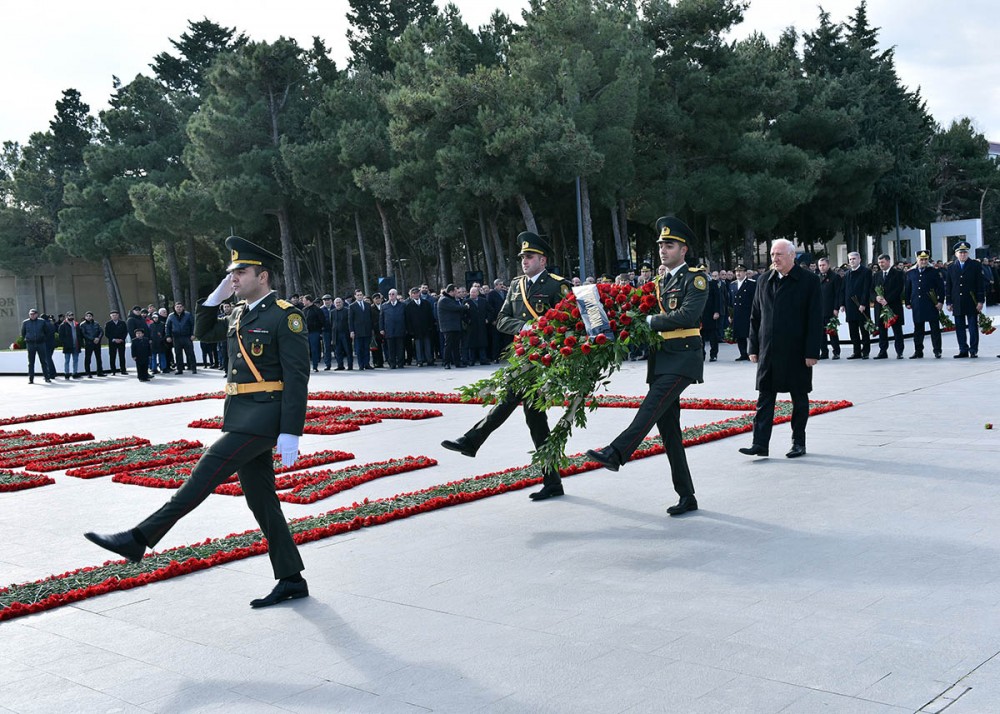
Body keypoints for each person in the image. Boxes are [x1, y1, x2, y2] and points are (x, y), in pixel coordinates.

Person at [85, 235, 311, 609]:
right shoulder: (240, 312)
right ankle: (291, 578)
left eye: (241, 272)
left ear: (264, 276)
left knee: (201, 478)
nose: (234, 278)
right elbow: (202, 331)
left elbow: (297, 377)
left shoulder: (285, 315)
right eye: (232, 273)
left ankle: (138, 538)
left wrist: (291, 430)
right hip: (241, 415)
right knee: (262, 502)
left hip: (261, 419)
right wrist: (213, 299)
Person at [586, 217, 709, 515]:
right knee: (669, 432)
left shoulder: (696, 279)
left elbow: (688, 316)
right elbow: (629, 309)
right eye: (661, 246)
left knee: (650, 407)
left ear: (684, 249)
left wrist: (650, 321)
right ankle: (687, 495)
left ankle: (616, 453)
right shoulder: (657, 283)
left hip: (683, 356)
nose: (663, 251)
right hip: (661, 358)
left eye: (669, 245)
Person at [441, 232, 572, 501]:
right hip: (522, 355)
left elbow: (571, 321)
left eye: (530, 256)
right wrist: (525, 327)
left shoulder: (557, 286)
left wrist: (548, 335)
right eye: (523, 257)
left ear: (542, 260)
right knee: (536, 422)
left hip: (544, 360)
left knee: (512, 401)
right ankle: (552, 481)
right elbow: (501, 320)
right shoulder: (515, 286)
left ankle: (472, 440)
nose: (525, 261)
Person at [738, 239, 822, 459]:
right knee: (764, 398)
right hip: (768, 350)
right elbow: (755, 316)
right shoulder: (764, 280)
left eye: (779, 254)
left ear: (793, 256)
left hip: (796, 351)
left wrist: (812, 351)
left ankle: (798, 442)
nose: (774, 258)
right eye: (773, 254)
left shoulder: (809, 281)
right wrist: (752, 346)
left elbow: (814, 319)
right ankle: (760, 443)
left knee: (799, 398)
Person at [945, 241, 985, 358]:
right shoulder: (951, 267)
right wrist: (949, 302)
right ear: (956, 254)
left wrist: (980, 301)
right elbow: (949, 286)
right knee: (959, 327)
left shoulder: (975, 265)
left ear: (968, 253)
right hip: (957, 301)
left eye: (965, 252)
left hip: (971, 301)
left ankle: (973, 350)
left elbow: (980, 284)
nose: (963, 255)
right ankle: (963, 349)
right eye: (960, 252)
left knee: (972, 327)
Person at [904, 249, 945, 359]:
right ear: (917, 259)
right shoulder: (910, 272)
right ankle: (918, 351)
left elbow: (941, 288)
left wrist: (940, 301)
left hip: (932, 304)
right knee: (918, 330)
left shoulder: (934, 272)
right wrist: (907, 301)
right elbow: (908, 288)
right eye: (921, 259)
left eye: (925, 259)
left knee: (934, 329)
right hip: (917, 304)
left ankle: (937, 350)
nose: (923, 261)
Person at [872, 253, 905, 359]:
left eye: (883, 262)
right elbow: (871, 289)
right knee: (882, 329)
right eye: (879, 262)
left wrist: (888, 300)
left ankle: (899, 351)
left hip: (893, 306)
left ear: (888, 261)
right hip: (880, 306)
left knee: (897, 330)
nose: (881, 264)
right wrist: (876, 298)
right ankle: (883, 351)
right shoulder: (876, 275)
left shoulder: (898, 273)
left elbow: (899, 289)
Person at [842, 251, 872, 359]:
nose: (852, 261)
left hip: (861, 306)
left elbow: (866, 289)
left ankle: (866, 351)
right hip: (850, 306)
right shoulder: (847, 274)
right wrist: (842, 304)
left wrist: (863, 303)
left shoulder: (866, 272)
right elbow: (844, 290)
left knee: (864, 330)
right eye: (850, 259)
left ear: (859, 259)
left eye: (854, 259)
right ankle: (856, 351)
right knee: (853, 331)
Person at [816, 258, 842, 359]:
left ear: (828, 265)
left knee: (832, 331)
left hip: (830, 309)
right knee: (821, 333)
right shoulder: (817, 277)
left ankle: (836, 352)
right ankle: (824, 352)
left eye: (823, 265)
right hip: (820, 309)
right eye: (820, 265)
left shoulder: (835, 277)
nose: (821, 267)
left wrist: (836, 308)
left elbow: (837, 294)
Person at [437, 284, 467, 369]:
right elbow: (454, 308)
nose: (457, 293)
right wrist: (465, 307)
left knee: (456, 345)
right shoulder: (444, 300)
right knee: (448, 345)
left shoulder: (450, 299)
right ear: (451, 291)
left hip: (454, 325)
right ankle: (446, 362)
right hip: (448, 326)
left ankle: (457, 362)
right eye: (456, 291)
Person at [404, 286, 436, 366]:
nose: (416, 295)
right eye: (414, 293)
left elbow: (430, 316)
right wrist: (410, 330)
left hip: (426, 328)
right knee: (418, 346)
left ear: (419, 293)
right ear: (411, 295)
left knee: (427, 345)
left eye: (417, 293)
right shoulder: (409, 306)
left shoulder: (426, 303)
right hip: (416, 330)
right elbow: (408, 320)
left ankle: (429, 360)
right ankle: (419, 361)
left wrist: (431, 326)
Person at [730, 265, 756, 361]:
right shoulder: (733, 284)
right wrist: (731, 314)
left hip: (748, 312)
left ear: (745, 273)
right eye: (736, 271)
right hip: (737, 313)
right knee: (740, 335)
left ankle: (752, 352)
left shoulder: (751, 284)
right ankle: (743, 353)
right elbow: (731, 301)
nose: (738, 273)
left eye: (740, 271)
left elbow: (754, 299)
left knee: (750, 334)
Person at [20, 308, 52, 384]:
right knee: (31, 362)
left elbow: (47, 332)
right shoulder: (25, 322)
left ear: (37, 314)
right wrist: (27, 339)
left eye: (34, 314)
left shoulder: (42, 321)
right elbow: (23, 333)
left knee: (43, 361)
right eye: (31, 314)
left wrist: (43, 339)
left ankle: (47, 377)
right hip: (30, 344)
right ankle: (31, 379)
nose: (32, 315)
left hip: (41, 344)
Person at [165, 302, 197, 374]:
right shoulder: (171, 316)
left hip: (187, 337)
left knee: (190, 353)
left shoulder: (188, 315)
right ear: (175, 308)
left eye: (180, 307)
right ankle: (180, 369)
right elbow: (167, 327)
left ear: (183, 308)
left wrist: (193, 334)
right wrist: (168, 336)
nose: (179, 308)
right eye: (177, 307)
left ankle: (193, 368)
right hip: (176, 338)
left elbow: (193, 325)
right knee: (178, 354)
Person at [379, 288, 407, 369]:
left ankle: (400, 363)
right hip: (389, 330)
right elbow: (381, 318)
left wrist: (406, 328)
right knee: (391, 349)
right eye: (389, 294)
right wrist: (381, 329)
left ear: (396, 295)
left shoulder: (402, 305)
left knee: (400, 348)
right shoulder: (384, 306)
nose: (391, 296)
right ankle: (392, 364)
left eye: (393, 294)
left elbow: (406, 317)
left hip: (400, 329)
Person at [348, 288, 373, 370]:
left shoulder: (368, 305)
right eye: (358, 295)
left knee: (366, 348)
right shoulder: (352, 306)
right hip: (357, 331)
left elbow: (370, 318)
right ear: (355, 296)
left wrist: (372, 329)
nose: (359, 296)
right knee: (359, 349)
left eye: (361, 295)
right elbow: (350, 320)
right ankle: (361, 365)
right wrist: (351, 331)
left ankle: (367, 363)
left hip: (367, 330)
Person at [301, 294, 325, 372]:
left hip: (314, 332)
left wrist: (320, 331)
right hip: (305, 333)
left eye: (304, 300)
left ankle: (315, 366)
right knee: (305, 351)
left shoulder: (317, 310)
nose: (303, 302)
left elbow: (322, 321)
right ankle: (306, 366)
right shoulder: (304, 310)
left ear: (308, 301)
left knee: (314, 349)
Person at [57, 312, 83, 379]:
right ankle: (67, 373)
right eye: (69, 315)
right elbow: (61, 336)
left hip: (76, 345)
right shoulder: (63, 325)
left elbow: (80, 334)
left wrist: (80, 343)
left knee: (75, 360)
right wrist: (65, 343)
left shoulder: (76, 324)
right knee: (67, 360)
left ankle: (75, 373)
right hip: (67, 346)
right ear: (66, 316)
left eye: (72, 315)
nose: (71, 316)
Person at [79, 311, 105, 377]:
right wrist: (93, 339)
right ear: (85, 317)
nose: (88, 317)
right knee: (88, 358)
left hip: (97, 343)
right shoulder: (82, 324)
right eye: (87, 316)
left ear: (92, 317)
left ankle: (100, 372)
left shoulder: (96, 323)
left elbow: (101, 332)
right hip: (88, 343)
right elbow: (84, 334)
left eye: (90, 316)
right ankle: (88, 373)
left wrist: (98, 338)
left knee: (98, 358)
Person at [330, 296, 353, 370]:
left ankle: (350, 366)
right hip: (336, 335)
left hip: (345, 334)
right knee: (338, 351)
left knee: (348, 351)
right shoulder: (332, 312)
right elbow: (331, 323)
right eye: (336, 303)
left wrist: (351, 332)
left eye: (339, 302)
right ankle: (340, 365)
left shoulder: (347, 310)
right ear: (334, 304)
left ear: (342, 303)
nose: (338, 304)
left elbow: (350, 322)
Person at [105, 310, 128, 375]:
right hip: (112, 342)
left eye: (116, 315)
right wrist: (114, 339)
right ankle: (113, 371)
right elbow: (107, 334)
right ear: (111, 316)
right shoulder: (108, 324)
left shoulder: (122, 323)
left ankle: (123, 370)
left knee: (122, 356)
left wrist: (121, 339)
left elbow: (125, 332)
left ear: (118, 315)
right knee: (112, 357)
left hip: (121, 342)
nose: (114, 316)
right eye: (113, 315)